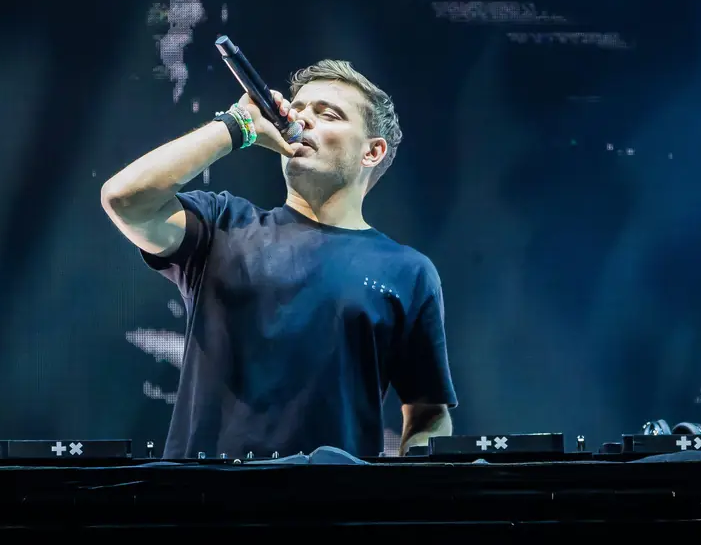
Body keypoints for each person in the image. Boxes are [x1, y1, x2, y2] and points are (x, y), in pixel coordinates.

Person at [101, 59, 457, 460]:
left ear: (372, 152)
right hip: (202, 511)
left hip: (335, 511)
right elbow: (125, 200)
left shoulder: (407, 271)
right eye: (297, 109)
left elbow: (429, 414)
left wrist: (412, 490)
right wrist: (237, 125)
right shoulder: (223, 224)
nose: (301, 121)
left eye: (327, 114)